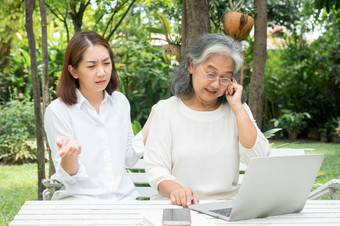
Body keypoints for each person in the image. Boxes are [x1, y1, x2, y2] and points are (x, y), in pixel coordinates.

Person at [144, 33, 271, 207]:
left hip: (227, 207)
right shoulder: (167, 110)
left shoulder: (237, 110)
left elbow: (260, 157)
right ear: (191, 65)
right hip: (179, 206)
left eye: (225, 77)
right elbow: (156, 168)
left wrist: (238, 108)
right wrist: (176, 191)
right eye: (211, 74)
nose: (216, 84)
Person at [44, 31, 155, 200]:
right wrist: (70, 155)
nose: (102, 72)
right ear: (73, 71)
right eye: (91, 66)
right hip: (81, 202)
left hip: (125, 200)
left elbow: (129, 157)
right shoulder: (58, 110)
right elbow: (69, 175)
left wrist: (155, 115)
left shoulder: (120, 102)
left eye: (106, 63)